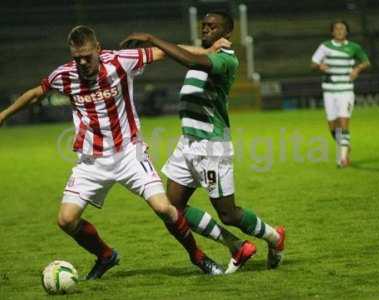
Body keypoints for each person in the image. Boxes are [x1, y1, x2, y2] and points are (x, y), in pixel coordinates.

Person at [0, 25, 227, 278]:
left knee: (164, 208)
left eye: (87, 56)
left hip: (130, 153)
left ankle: (198, 257)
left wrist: (206, 51)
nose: (83, 62)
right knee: (66, 221)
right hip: (91, 161)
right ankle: (106, 256)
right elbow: (35, 95)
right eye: (77, 58)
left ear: (98, 48)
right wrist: (3, 115)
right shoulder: (63, 76)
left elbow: (164, 52)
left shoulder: (120, 61)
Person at [121, 11, 286, 274]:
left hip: (211, 147)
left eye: (213, 26)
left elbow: (188, 58)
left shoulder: (225, 59)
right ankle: (236, 246)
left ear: (228, 33)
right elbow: (192, 54)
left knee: (229, 214)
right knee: (172, 209)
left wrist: (152, 38)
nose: (207, 28)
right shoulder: (207, 54)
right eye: (204, 26)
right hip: (187, 144)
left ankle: (275, 238)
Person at [311, 20, 370, 167]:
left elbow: (366, 61)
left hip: (345, 89)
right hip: (329, 91)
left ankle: (342, 158)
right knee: (333, 126)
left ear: (347, 31)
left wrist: (357, 69)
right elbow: (312, 63)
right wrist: (319, 66)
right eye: (336, 29)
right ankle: (345, 146)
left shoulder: (354, 47)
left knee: (344, 123)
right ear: (332, 32)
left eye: (342, 28)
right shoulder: (325, 46)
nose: (339, 31)